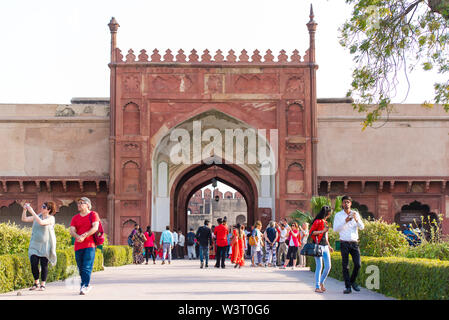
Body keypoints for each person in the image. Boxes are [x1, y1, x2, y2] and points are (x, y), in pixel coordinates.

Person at [21, 202, 57, 291]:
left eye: (44, 207)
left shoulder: (51, 218)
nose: (42, 208)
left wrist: (32, 210)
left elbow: (41, 222)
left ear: (48, 210)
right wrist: (25, 210)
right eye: (42, 206)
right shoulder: (38, 216)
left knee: (44, 264)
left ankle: (43, 284)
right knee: (33, 263)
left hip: (46, 245)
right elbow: (24, 219)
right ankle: (36, 282)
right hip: (34, 244)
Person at [333, 195, 365, 294]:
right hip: (344, 243)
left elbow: (362, 227)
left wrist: (357, 219)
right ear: (342, 204)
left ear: (351, 203)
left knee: (358, 264)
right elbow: (335, 229)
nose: (346, 204)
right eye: (344, 202)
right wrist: (345, 221)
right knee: (345, 266)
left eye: (348, 202)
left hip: (354, 243)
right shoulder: (338, 215)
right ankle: (348, 287)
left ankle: (352, 281)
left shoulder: (356, 214)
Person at [70, 197, 100, 295]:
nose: (79, 205)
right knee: (80, 267)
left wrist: (85, 235)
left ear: (87, 204)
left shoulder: (93, 214)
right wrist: (78, 236)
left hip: (89, 245)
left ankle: (85, 285)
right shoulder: (75, 217)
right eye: (78, 203)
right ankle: (85, 284)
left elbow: (95, 227)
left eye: (81, 203)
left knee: (87, 266)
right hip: (78, 246)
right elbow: (72, 231)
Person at [309, 206, 334, 293]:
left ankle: (321, 282)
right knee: (319, 267)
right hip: (318, 246)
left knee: (328, 266)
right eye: (330, 212)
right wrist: (321, 231)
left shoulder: (326, 222)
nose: (330, 214)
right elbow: (311, 232)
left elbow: (326, 236)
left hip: (325, 246)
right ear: (327, 213)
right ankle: (317, 286)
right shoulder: (317, 221)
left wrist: (329, 246)